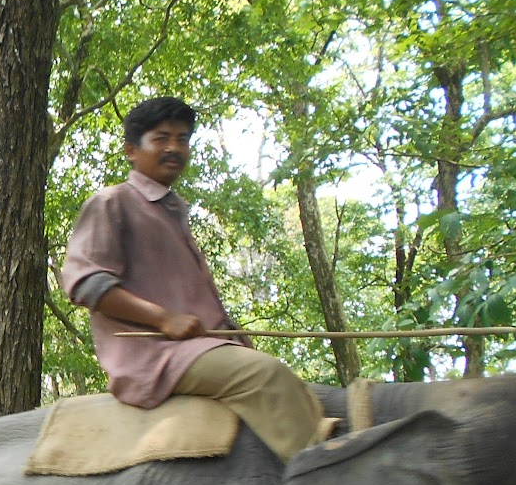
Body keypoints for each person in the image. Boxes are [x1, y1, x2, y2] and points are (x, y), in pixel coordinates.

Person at [59, 97, 328, 462]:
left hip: (200, 348)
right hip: (156, 356)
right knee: (266, 375)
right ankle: (319, 479)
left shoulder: (174, 211)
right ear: (131, 151)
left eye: (183, 139)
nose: (174, 147)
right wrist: (164, 319)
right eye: (161, 138)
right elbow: (86, 284)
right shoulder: (112, 202)